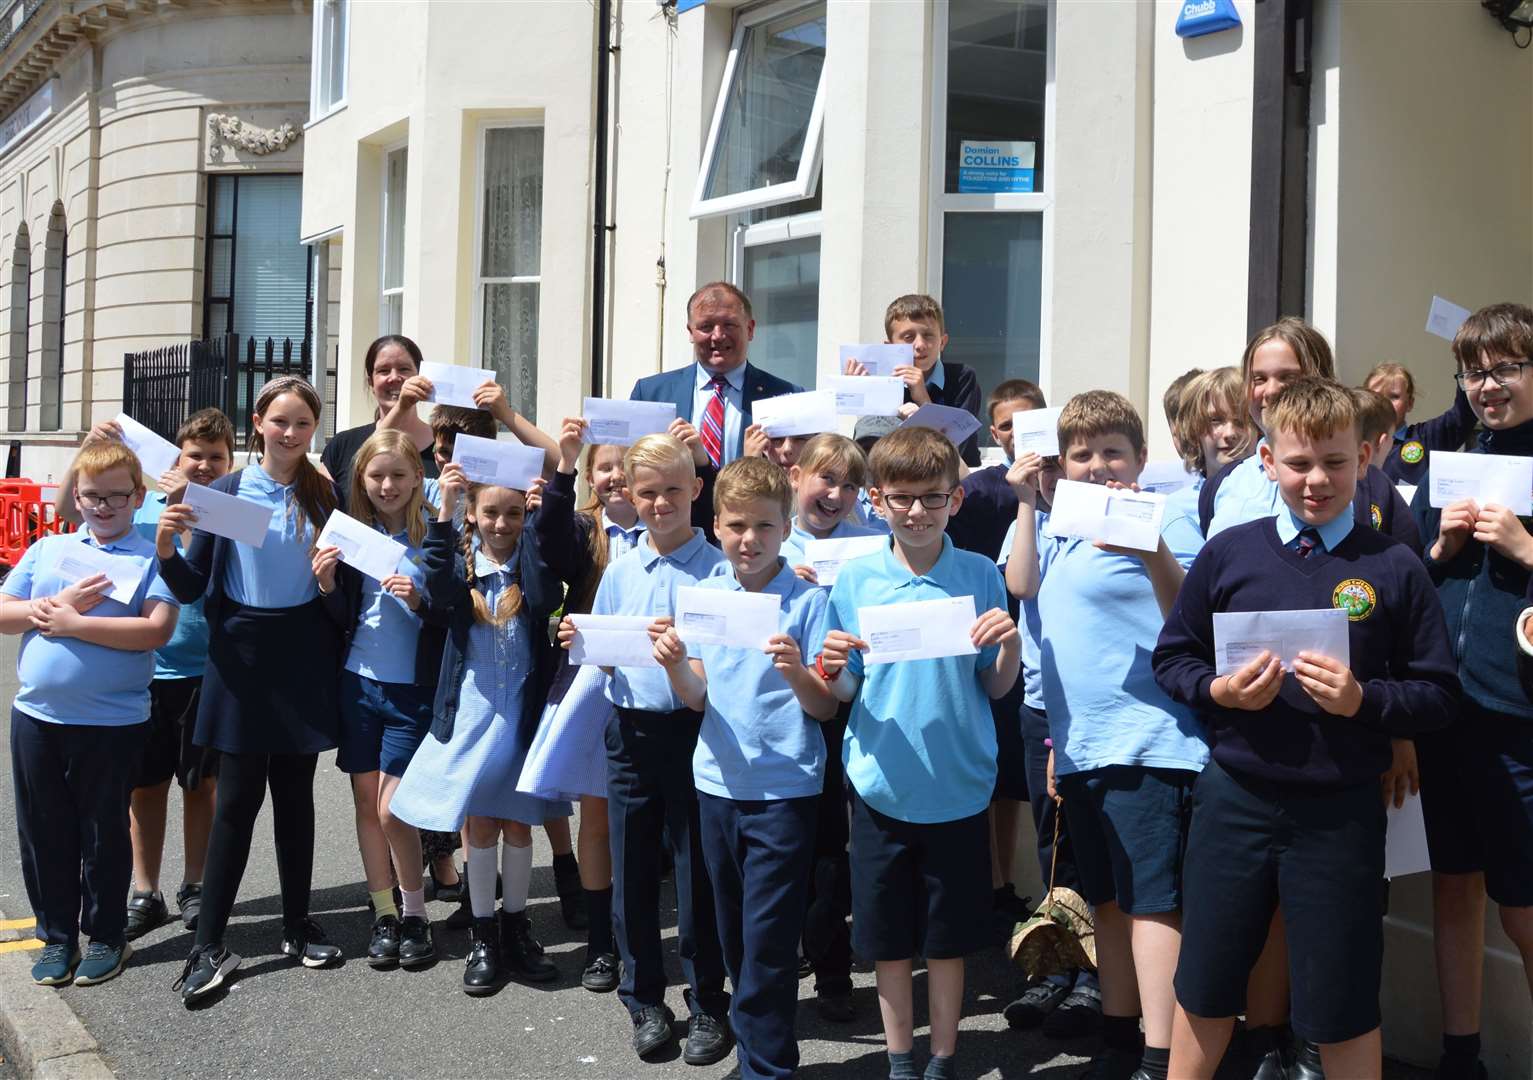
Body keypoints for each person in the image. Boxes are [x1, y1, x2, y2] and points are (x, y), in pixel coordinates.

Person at [1153, 375, 1459, 1080]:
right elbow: (1172, 658)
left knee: (1342, 999)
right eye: (1297, 464)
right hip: (1234, 800)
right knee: (1203, 985)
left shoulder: (1393, 566)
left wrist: (1364, 701)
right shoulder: (1230, 553)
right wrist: (1218, 690)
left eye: (1335, 462)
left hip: (1340, 811)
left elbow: (1438, 693)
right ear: (1265, 462)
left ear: (1365, 459)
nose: (1316, 480)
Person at [1004, 390, 1205, 1080]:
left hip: (1148, 743)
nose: (1096, 466)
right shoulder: (1062, 526)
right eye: (1081, 455)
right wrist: (1060, 746)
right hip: (1084, 748)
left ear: (1140, 459)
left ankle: (1162, 1050)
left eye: (1111, 452)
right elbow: (1033, 600)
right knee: (1109, 902)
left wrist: (1150, 552)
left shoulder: (1166, 517)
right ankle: (1120, 1036)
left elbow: (1191, 618)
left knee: (1153, 904)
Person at [816, 425, 1020, 1080]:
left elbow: (992, 684)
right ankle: (900, 1055)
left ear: (955, 500)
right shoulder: (855, 580)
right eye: (901, 498)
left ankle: (943, 1055)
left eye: (932, 499)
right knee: (888, 941)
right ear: (874, 500)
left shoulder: (980, 574)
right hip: (880, 783)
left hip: (958, 786)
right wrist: (831, 666)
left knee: (950, 939)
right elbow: (846, 687)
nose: (916, 512)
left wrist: (1009, 646)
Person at [651, 456, 839, 1080]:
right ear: (717, 524)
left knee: (767, 939)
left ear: (787, 526)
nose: (749, 539)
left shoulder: (810, 601)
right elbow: (696, 695)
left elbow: (824, 707)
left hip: (785, 787)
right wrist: (675, 661)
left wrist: (796, 671)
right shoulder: (706, 600)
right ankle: (759, 1047)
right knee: (731, 933)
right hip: (716, 785)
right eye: (736, 526)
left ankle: (766, 1065)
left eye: (763, 525)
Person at [161, 376, 346, 1004]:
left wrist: (328, 584)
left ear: (312, 431)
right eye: (279, 421)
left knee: (296, 799)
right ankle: (208, 944)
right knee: (236, 803)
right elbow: (190, 586)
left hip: (303, 655)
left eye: (302, 424)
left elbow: (344, 596)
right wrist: (166, 548)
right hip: (240, 656)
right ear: (258, 423)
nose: (290, 433)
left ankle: (297, 926)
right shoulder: (227, 493)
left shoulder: (327, 497)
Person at [557, 433, 733, 1066]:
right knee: (632, 866)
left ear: (696, 491)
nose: (661, 503)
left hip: (697, 734)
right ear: (629, 495)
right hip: (629, 731)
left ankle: (710, 1002)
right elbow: (603, 660)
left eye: (673, 491)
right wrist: (581, 637)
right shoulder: (622, 568)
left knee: (699, 869)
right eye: (648, 492)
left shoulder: (720, 572)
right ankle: (645, 999)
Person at [0, 440, 180, 987]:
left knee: (102, 833)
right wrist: (50, 609)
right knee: (44, 833)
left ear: (138, 497)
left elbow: (155, 630)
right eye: (92, 497)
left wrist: (75, 625)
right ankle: (58, 939)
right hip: (38, 717)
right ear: (76, 498)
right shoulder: (49, 551)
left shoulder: (153, 555)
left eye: (117, 497)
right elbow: (5, 613)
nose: (104, 507)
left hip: (110, 724)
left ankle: (106, 936)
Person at [389, 461, 568, 993]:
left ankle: (516, 927)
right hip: (472, 714)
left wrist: (539, 518)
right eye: (490, 511)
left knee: (519, 823)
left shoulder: (529, 570)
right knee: (483, 825)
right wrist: (444, 516)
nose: (501, 523)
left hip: (519, 716)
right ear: (474, 512)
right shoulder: (462, 569)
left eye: (513, 513)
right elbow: (439, 592)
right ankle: (485, 933)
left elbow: (542, 593)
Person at [1412, 303, 1533, 1080]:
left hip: (1519, 722)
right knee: (1451, 890)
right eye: (1473, 372)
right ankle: (1462, 1057)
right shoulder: (1449, 454)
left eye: (1505, 369)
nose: (1486, 387)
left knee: (1523, 908)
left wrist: (1525, 547)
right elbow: (1419, 588)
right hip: (1445, 714)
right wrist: (1439, 545)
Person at [320, 429, 449, 970]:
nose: (387, 485)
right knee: (366, 805)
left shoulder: (437, 535)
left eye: (398, 475)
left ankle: (416, 912)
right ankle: (384, 913)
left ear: (419, 477)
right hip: (359, 683)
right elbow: (338, 618)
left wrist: (420, 599)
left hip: (412, 688)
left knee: (393, 807)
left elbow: (451, 613)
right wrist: (325, 585)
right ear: (361, 480)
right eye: (376, 476)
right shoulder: (353, 536)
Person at [530, 423, 644, 994]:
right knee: (597, 816)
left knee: (651, 825)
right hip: (592, 685)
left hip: (657, 683)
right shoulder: (585, 529)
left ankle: (643, 936)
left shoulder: (664, 530)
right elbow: (549, 544)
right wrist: (565, 469)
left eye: (629, 465)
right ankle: (602, 943)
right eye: (607, 467)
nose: (618, 475)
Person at [996, 449, 1102, 1038]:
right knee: (1052, 845)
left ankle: (1095, 976)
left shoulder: (1109, 522)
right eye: (1047, 466)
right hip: (1040, 707)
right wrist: (1027, 502)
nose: (1056, 476)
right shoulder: (1029, 520)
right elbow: (1021, 583)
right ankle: (1056, 966)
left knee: (1092, 847)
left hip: (1090, 706)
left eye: (1064, 465)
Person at [123, 409, 235, 938]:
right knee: (145, 787)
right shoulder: (143, 509)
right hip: (145, 671)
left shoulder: (231, 515)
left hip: (205, 674)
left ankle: (196, 885)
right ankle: (146, 891)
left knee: (201, 785)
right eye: (196, 457)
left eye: (217, 457)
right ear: (176, 460)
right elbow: (74, 517)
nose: (206, 466)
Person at [777, 433, 876, 1022]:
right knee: (796, 840)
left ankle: (834, 969)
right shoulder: (771, 543)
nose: (836, 494)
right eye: (825, 479)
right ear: (794, 477)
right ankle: (788, 955)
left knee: (835, 850)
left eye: (848, 485)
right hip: (789, 710)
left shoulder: (872, 547)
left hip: (854, 707)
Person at [945, 378, 1044, 935]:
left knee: (1013, 780)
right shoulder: (980, 487)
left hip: (1034, 642)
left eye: (1029, 422)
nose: (1017, 435)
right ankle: (989, 881)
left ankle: (1007, 882)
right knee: (991, 763)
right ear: (993, 431)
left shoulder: (1061, 483)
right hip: (990, 634)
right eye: (1007, 425)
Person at [1200, 318, 1419, 555]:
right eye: (1259, 379)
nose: (1271, 391)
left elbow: (1405, 573)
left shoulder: (1371, 487)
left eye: (1287, 377)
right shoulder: (1224, 482)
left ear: (1322, 380)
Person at [630, 282, 803, 468]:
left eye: (729, 324)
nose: (718, 335)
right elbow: (630, 468)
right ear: (690, 332)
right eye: (706, 326)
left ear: (750, 329)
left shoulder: (787, 396)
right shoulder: (651, 394)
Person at [844, 294, 984, 467]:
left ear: (942, 342)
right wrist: (858, 394)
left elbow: (960, 446)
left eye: (928, 335)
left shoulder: (962, 377)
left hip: (956, 480)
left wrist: (923, 399)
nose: (920, 345)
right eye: (909, 337)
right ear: (890, 347)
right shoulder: (884, 382)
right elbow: (872, 446)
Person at [322, 335, 438, 501]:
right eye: (383, 371)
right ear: (371, 382)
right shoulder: (342, 445)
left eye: (404, 369)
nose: (394, 377)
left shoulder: (447, 447)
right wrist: (402, 406)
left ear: (420, 376)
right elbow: (332, 508)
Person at [1362, 360, 1477, 486]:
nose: (1385, 404)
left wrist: (1465, 360)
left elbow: (1463, 415)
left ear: (1410, 403)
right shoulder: (1354, 441)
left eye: (1394, 396)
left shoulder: (1425, 438)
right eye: (1376, 396)